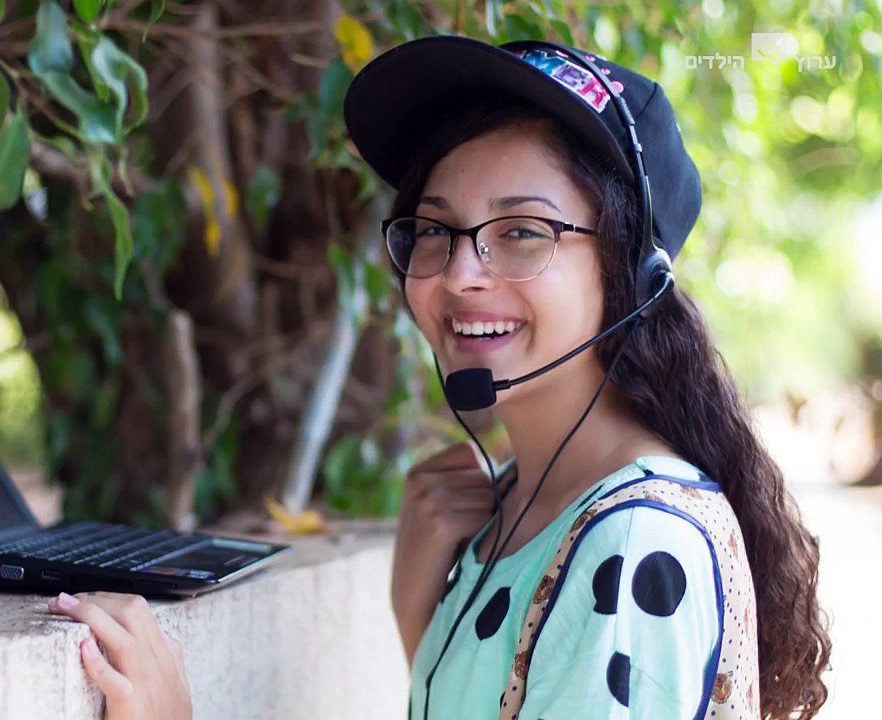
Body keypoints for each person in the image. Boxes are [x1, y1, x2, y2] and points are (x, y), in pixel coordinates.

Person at [47, 34, 832, 720]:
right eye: (435, 230)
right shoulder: (529, 509)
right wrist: (419, 619)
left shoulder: (633, 541)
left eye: (521, 232)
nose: (459, 274)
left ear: (631, 272)